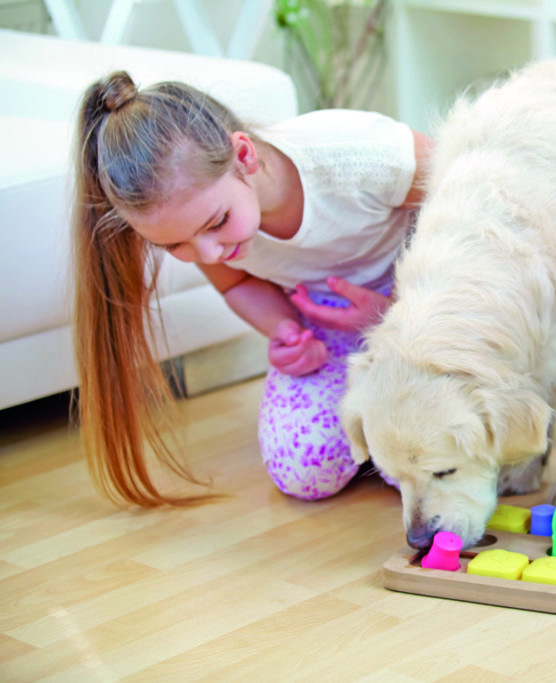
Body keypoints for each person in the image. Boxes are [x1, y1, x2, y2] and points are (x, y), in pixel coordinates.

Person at [72, 70, 433, 506]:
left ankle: (383, 437)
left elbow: (472, 215)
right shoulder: (206, 234)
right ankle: (372, 436)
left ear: (242, 155)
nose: (208, 254)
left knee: (429, 462)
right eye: (173, 245)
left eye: (217, 222)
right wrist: (283, 329)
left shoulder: (359, 154)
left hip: (428, 307)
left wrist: (395, 312)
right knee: (302, 470)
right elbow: (239, 282)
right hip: (328, 323)